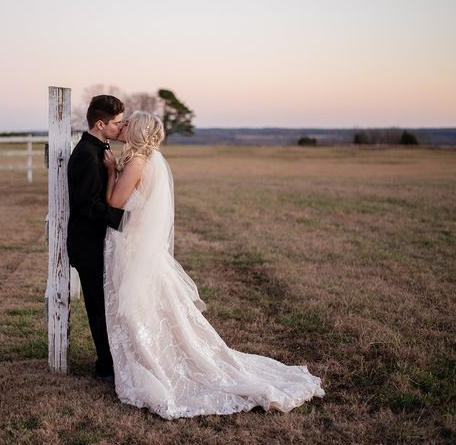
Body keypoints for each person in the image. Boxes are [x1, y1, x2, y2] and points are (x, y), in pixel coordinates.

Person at [101, 111, 325, 419]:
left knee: (139, 306)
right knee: (149, 305)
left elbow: (114, 203)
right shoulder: (148, 160)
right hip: (136, 244)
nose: (122, 126)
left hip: (132, 246)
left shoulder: (137, 163)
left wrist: (112, 172)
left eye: (127, 124)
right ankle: (143, 354)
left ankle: (151, 360)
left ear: (136, 131)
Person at [66, 95, 127, 383]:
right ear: (100, 124)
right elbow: (89, 205)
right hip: (88, 245)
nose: (121, 127)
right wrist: (125, 220)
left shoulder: (98, 149)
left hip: (99, 242)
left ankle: (112, 359)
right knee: (98, 305)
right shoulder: (86, 156)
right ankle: (106, 364)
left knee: (108, 303)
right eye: (117, 123)